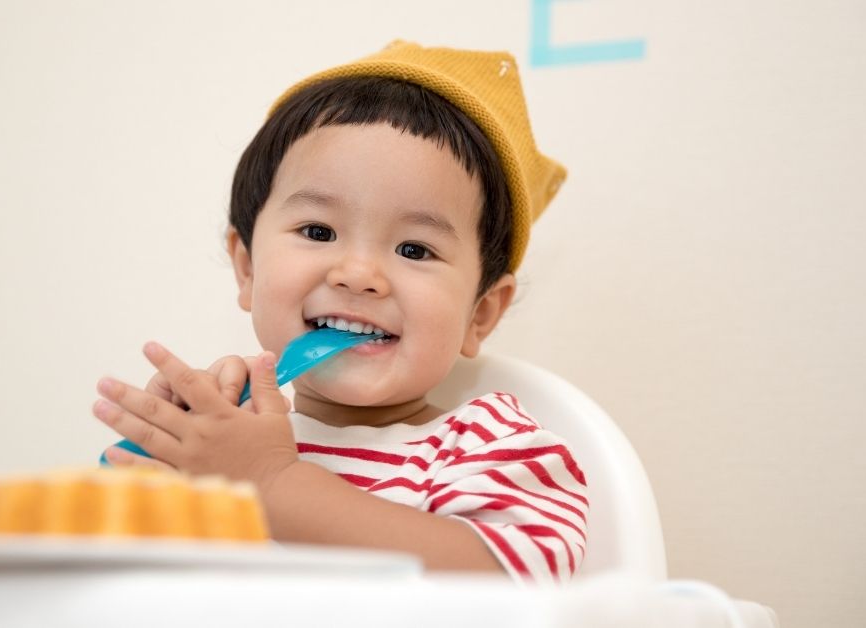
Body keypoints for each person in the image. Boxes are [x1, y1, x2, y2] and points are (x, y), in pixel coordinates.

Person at [91, 41, 586, 583]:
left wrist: (271, 482)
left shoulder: (490, 445)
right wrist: (166, 470)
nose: (356, 274)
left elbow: (517, 589)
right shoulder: (223, 439)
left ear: (481, 314)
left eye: (414, 250)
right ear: (248, 269)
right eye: (318, 232)